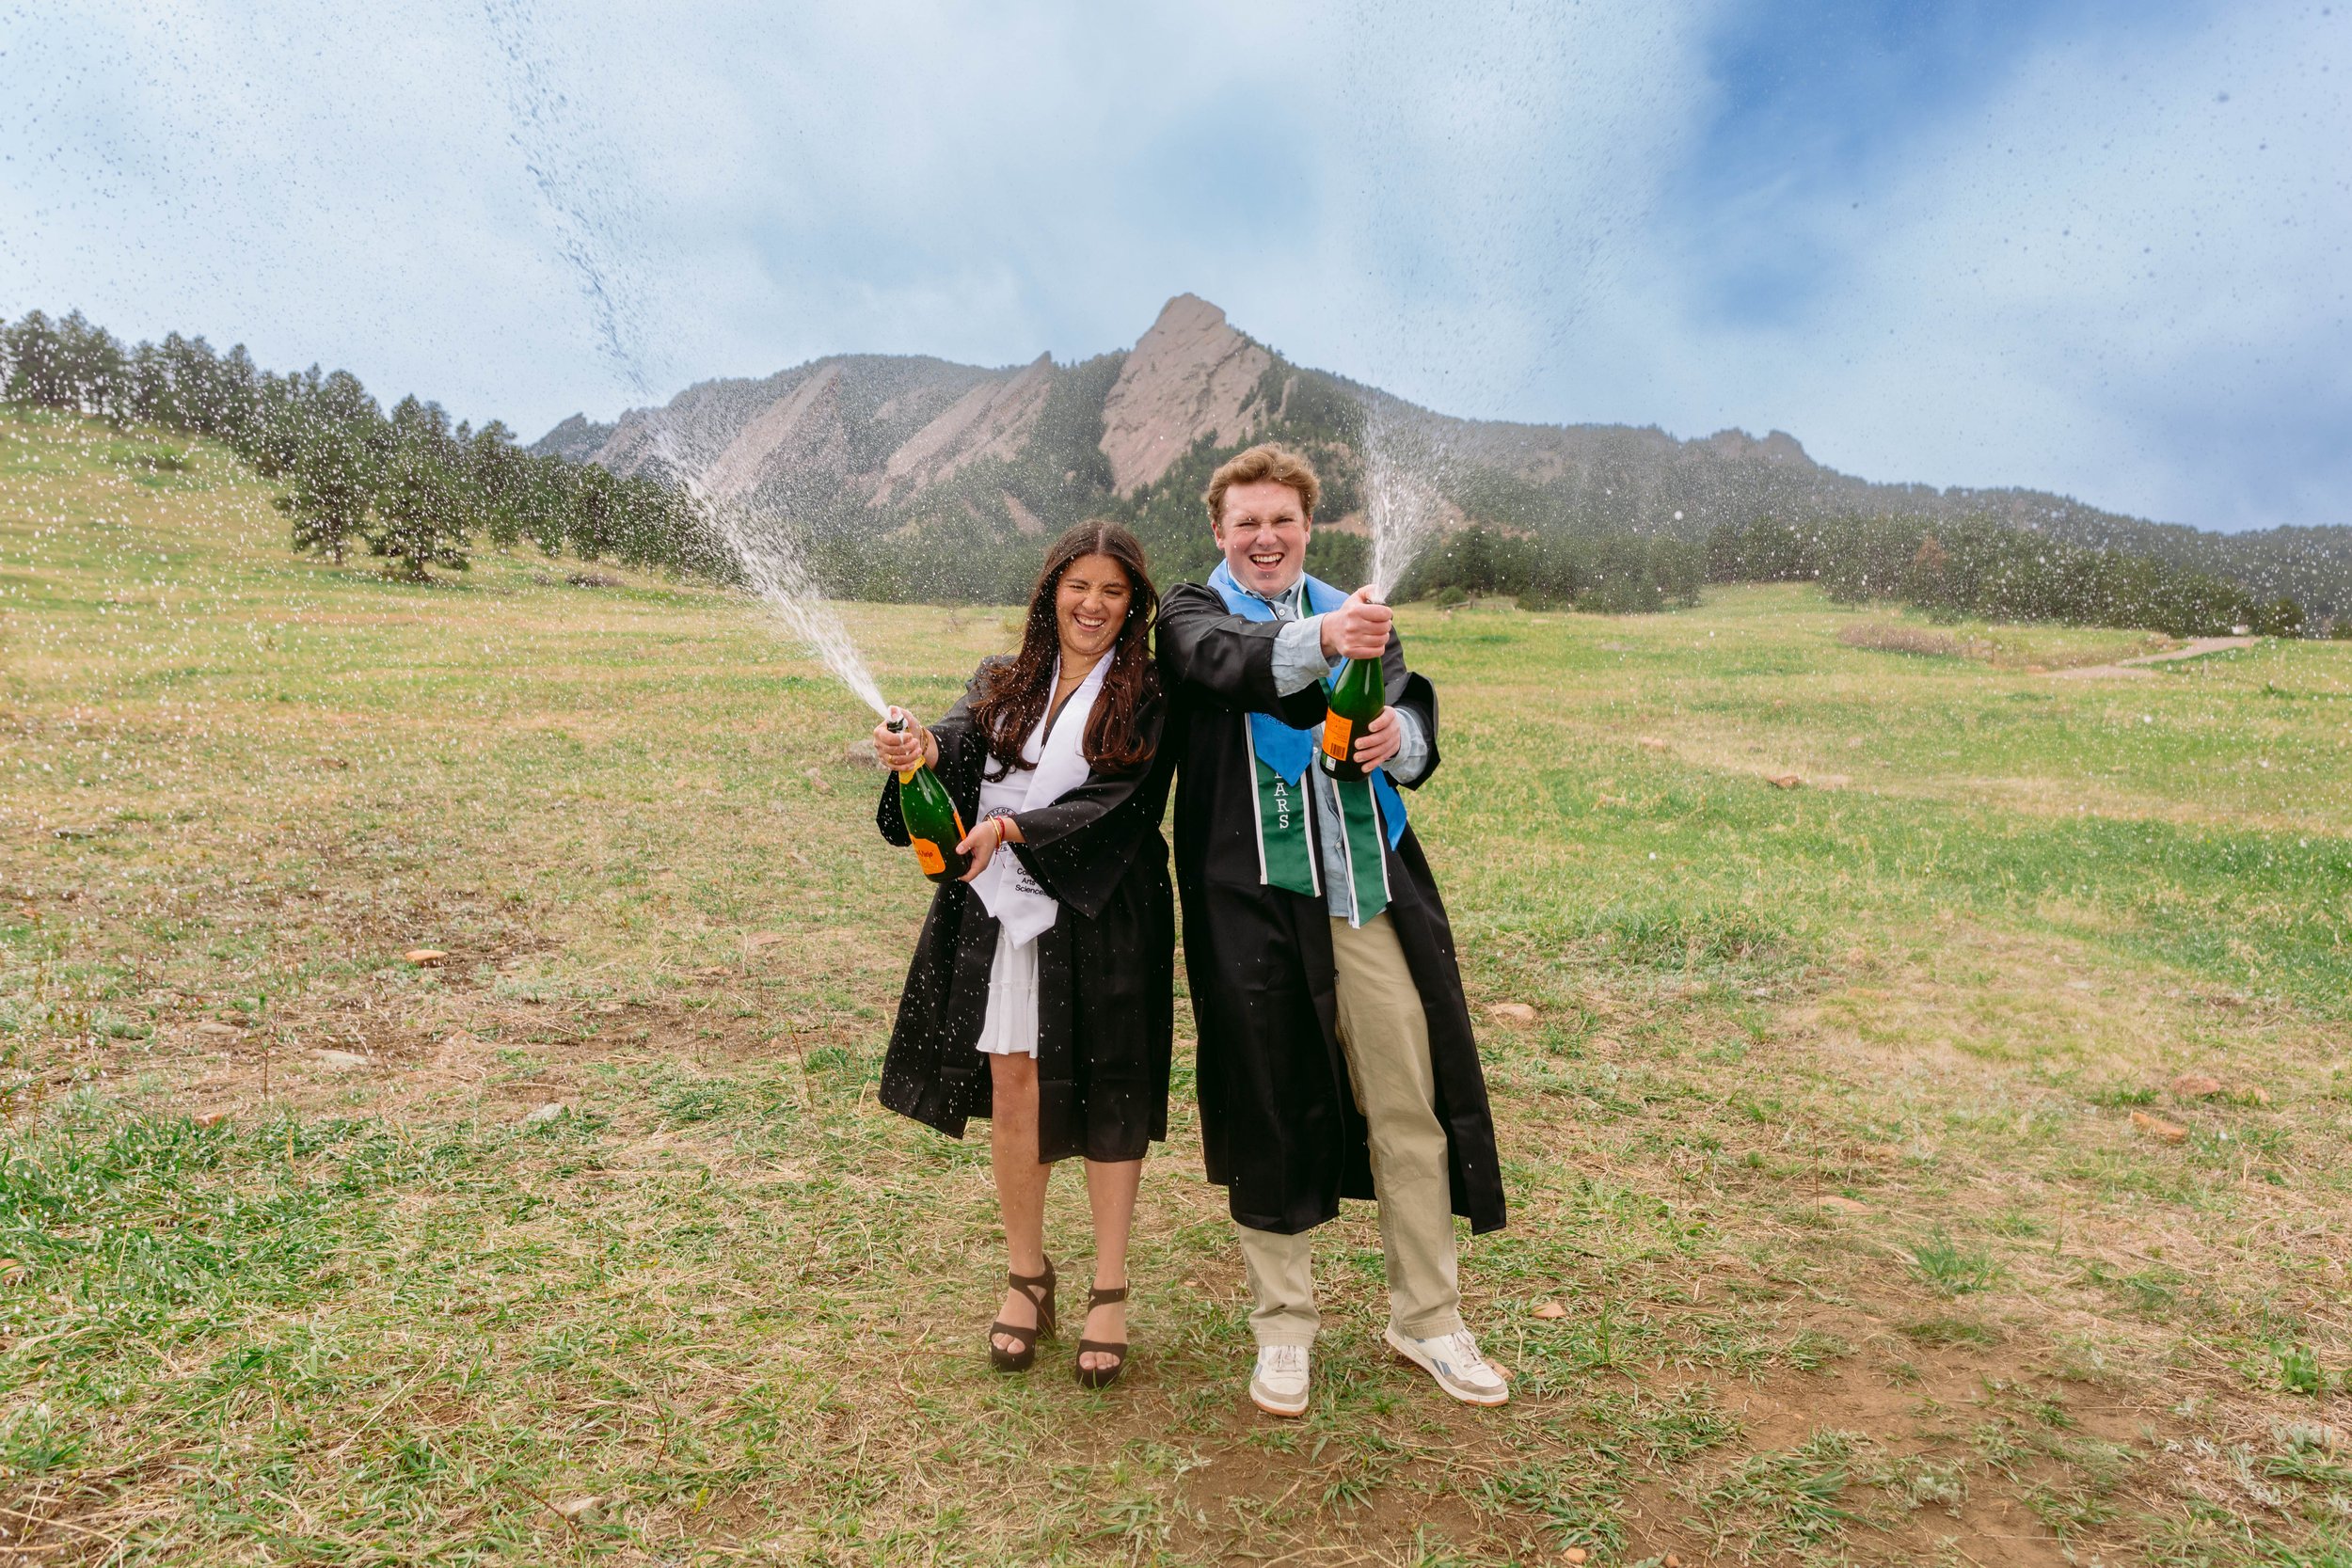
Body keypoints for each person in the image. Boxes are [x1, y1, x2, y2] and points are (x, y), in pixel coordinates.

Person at [1156, 443, 1507, 1418]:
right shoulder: (1191, 610)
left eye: (1282, 521)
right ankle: (1283, 1330)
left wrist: (1402, 741)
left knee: (1408, 1096)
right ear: (1219, 532)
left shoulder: (1364, 618)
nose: (1265, 538)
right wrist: (1327, 633)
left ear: (1308, 525)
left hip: (1360, 892)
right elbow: (1223, 665)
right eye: (1246, 523)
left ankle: (1427, 1317)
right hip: (1250, 898)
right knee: (1268, 1097)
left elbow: (1403, 718)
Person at [873, 521, 1174, 1389]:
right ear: (1051, 593)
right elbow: (956, 744)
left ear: (1133, 604)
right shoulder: (1004, 682)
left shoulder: (1147, 691)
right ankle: (1027, 1274)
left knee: (1111, 1084)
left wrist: (1013, 828)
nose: (1093, 604)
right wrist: (918, 749)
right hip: (1002, 915)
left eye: (1113, 591)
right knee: (1014, 1079)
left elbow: (1125, 800)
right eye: (1078, 586)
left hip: (1104, 909)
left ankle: (1108, 1287)